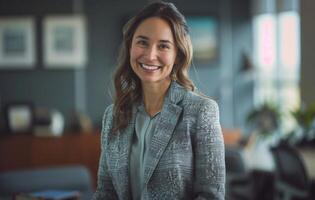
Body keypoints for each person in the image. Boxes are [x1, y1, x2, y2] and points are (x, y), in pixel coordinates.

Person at [93, 1, 225, 199]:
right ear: (130, 46)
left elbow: (211, 196)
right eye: (142, 42)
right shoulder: (112, 115)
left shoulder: (201, 111)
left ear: (177, 55)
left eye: (163, 46)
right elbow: (105, 192)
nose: (150, 55)